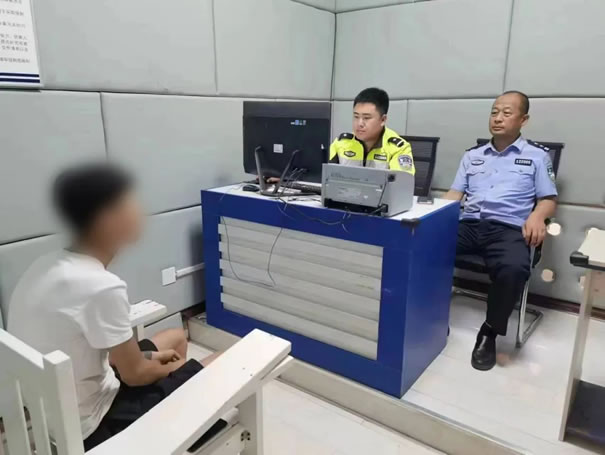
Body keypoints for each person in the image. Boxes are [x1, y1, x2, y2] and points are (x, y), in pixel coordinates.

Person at [7, 164, 219, 449]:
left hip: (56, 411)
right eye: (131, 204)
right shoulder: (101, 286)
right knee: (222, 363)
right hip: (94, 427)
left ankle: (178, 413)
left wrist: (153, 362)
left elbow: (111, 356)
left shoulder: (44, 264)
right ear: (107, 220)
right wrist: (173, 369)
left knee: (175, 337)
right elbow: (135, 374)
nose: (141, 213)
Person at [445, 91, 557, 371]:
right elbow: (454, 195)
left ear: (523, 119)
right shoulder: (472, 156)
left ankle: (489, 332)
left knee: (513, 268)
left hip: (508, 229)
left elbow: (548, 199)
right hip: (469, 224)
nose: (498, 118)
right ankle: (427, 317)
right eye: (494, 112)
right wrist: (432, 219)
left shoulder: (537, 157)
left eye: (506, 113)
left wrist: (537, 216)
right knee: (423, 247)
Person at [330, 87, 415, 174]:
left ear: (383, 120)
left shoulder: (398, 149)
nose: (359, 123)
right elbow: (326, 176)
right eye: (356, 116)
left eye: (366, 118)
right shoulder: (341, 143)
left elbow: (402, 181)